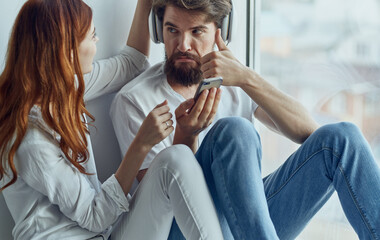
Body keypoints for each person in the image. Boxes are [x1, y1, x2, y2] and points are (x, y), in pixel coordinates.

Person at [110, 0, 380, 239]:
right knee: (235, 130)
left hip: (248, 224)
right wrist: (187, 135)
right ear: (159, 31)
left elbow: (308, 132)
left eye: (196, 32)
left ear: (221, 32)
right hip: (184, 230)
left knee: (343, 138)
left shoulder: (234, 81)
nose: (183, 45)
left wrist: (246, 78)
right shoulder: (134, 100)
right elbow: (165, 203)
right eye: (172, 30)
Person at [0, 0, 225, 239]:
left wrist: (145, 3)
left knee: (176, 157)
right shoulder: (30, 139)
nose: (97, 42)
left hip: (104, 232)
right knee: (174, 159)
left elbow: (132, 64)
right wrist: (141, 145)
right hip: (88, 230)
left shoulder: (64, 88)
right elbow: (94, 216)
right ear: (65, 49)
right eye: (92, 35)